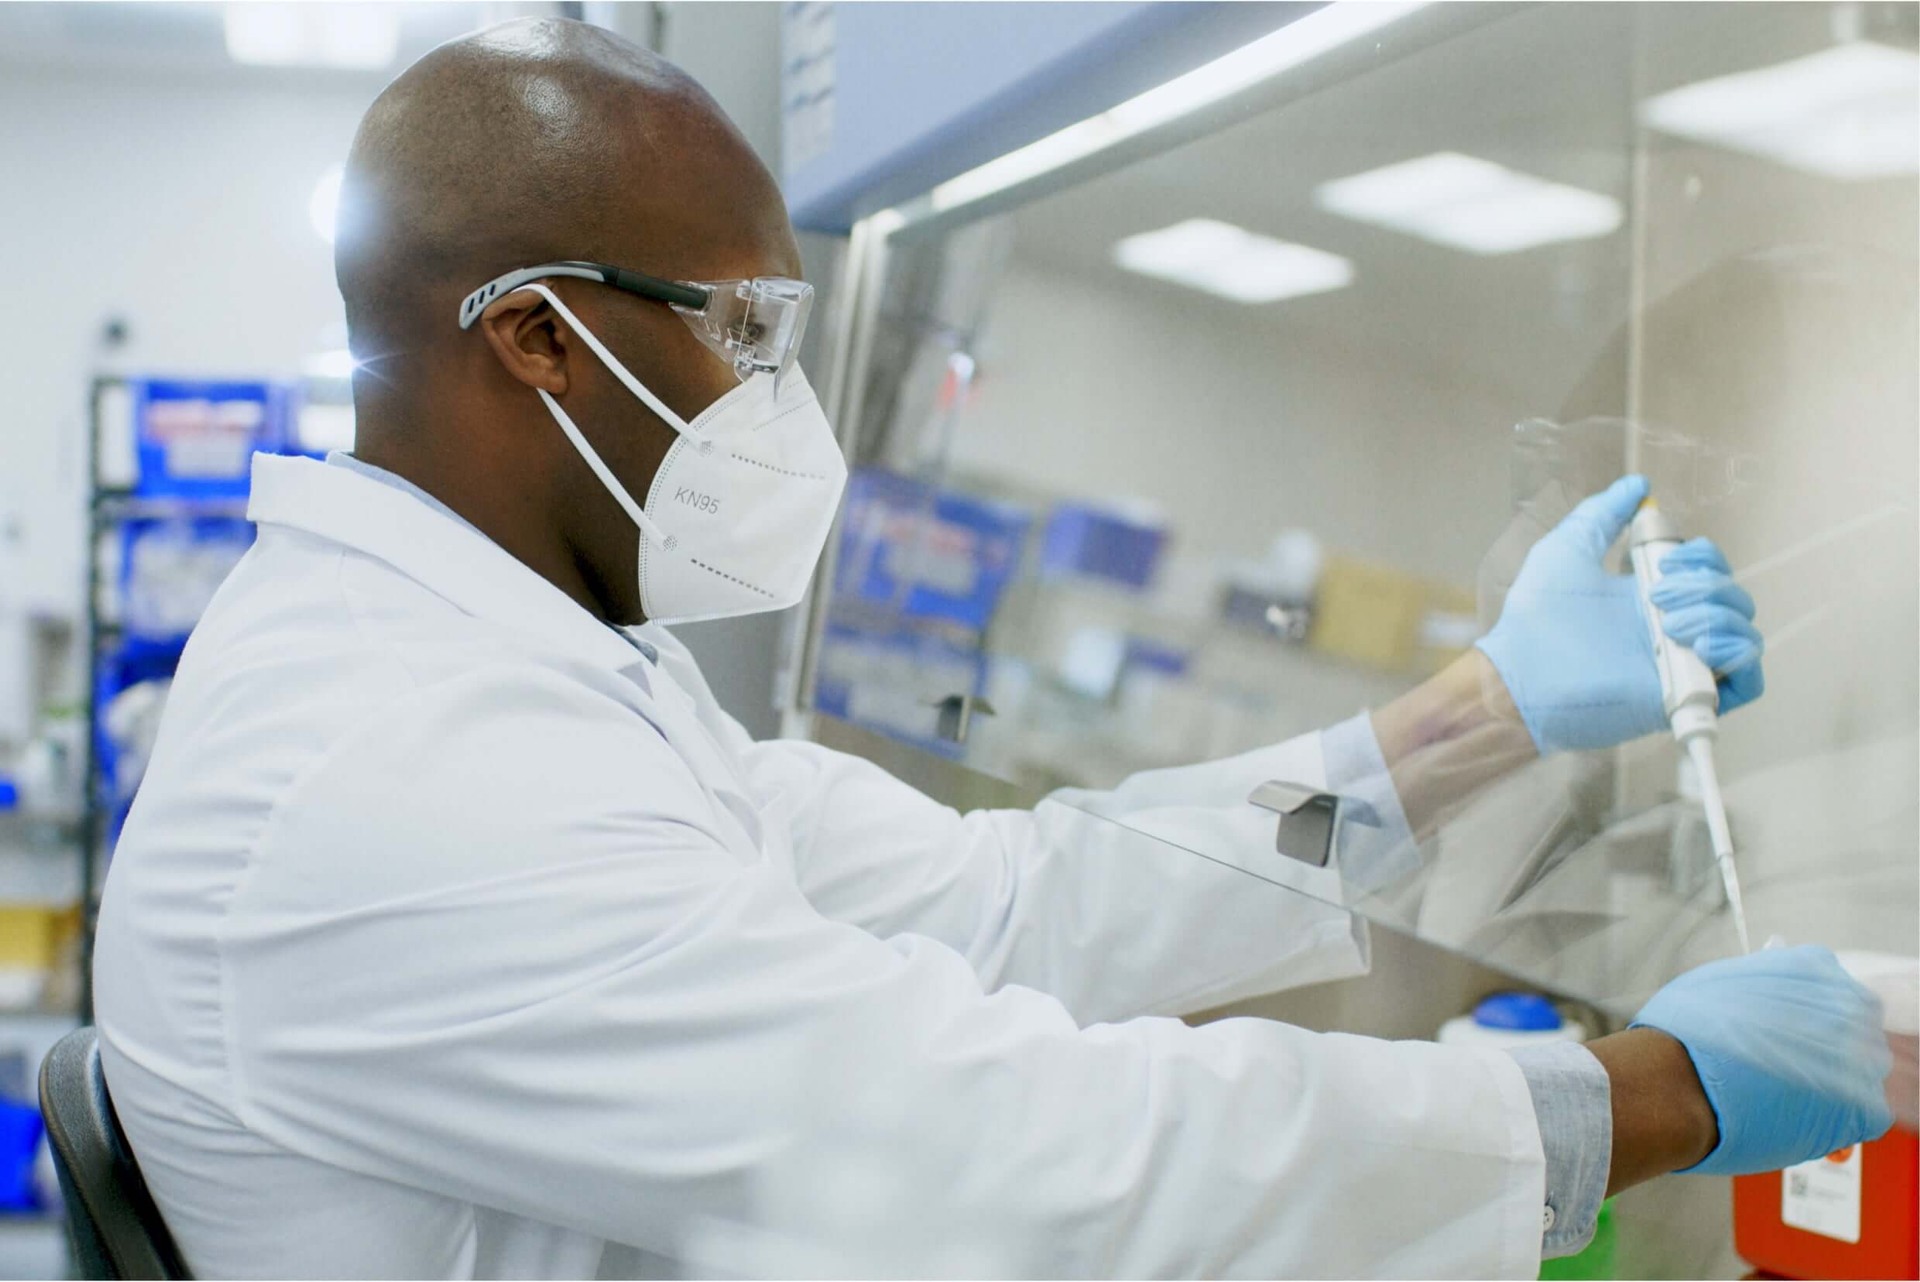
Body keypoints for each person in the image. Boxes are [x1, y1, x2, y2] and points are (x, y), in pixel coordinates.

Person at [91, 18, 1892, 1280]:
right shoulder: (401, 770)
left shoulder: (522, 669)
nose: (780, 396)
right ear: (543, 339)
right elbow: (1014, 1154)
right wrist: (1641, 1097)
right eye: (743, 327)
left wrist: (1472, 720)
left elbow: (1006, 900)